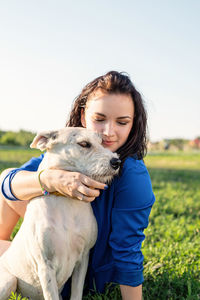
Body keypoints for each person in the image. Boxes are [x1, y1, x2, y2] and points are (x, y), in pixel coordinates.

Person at [0, 71, 155, 300]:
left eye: (122, 122)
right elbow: (7, 182)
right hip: (49, 249)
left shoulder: (132, 174)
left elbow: (128, 249)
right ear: (84, 117)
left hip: (88, 273)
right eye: (99, 119)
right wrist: (47, 180)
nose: (108, 132)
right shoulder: (67, 151)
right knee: (20, 186)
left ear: (133, 124)